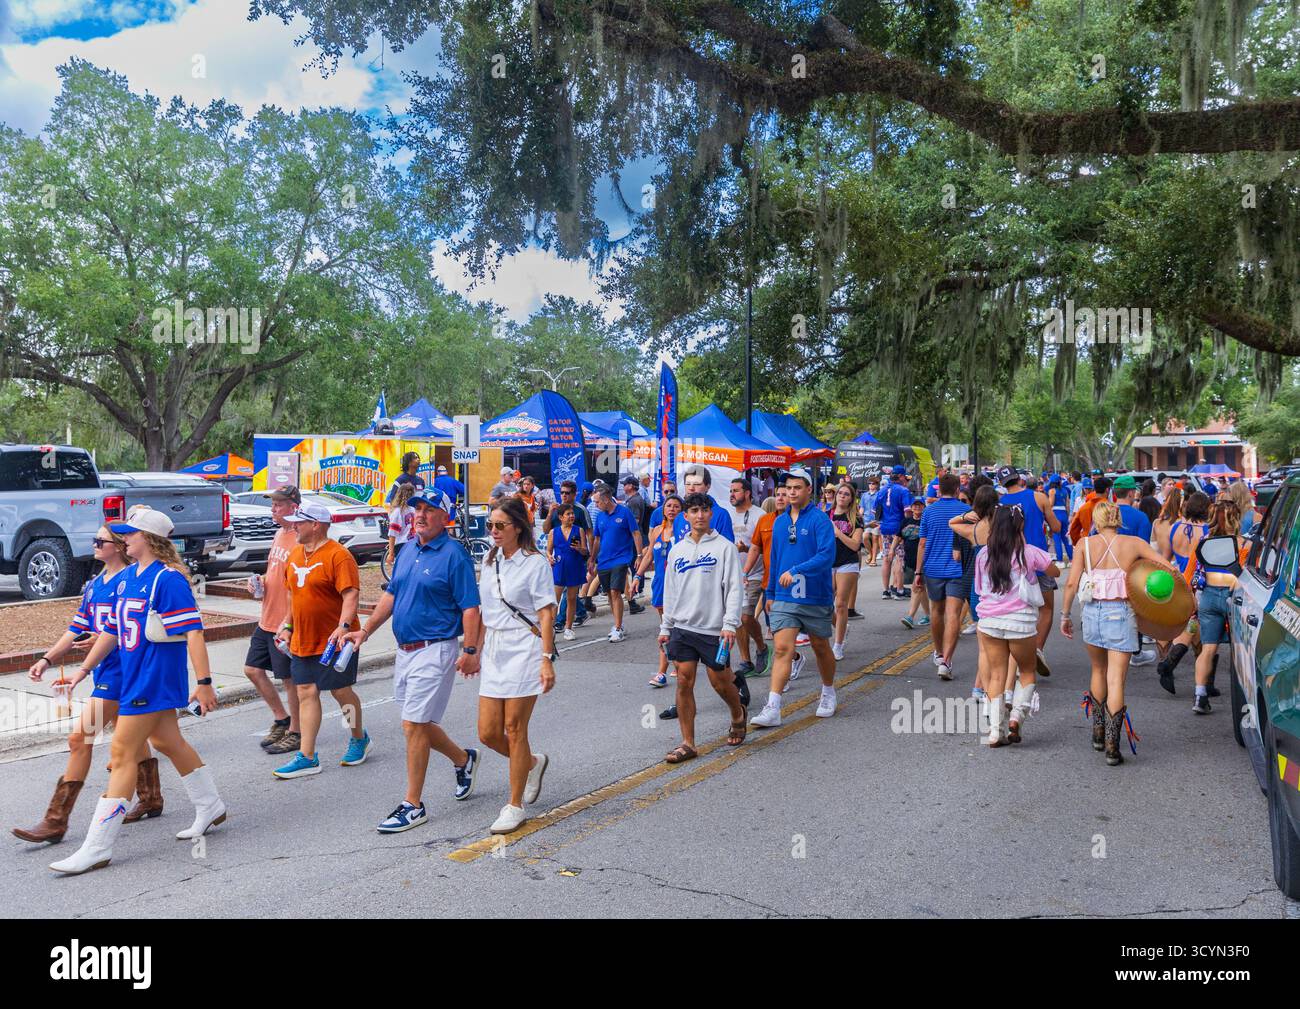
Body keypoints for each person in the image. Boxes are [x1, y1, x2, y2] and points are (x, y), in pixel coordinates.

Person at [49, 507, 223, 874]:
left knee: (122, 751)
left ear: (151, 539)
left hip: (154, 677)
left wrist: (204, 683)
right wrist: (83, 670)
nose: (124, 538)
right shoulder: (128, 577)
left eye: (131, 533)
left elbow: (193, 631)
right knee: (166, 742)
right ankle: (211, 806)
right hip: (134, 674)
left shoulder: (168, 579)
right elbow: (111, 632)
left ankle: (97, 847)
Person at [344, 491, 483, 833]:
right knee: (417, 723)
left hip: (435, 649)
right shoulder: (408, 549)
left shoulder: (455, 556)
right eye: (417, 508)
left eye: (429, 510)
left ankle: (413, 804)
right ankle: (464, 760)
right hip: (404, 651)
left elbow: (470, 607)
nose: (420, 514)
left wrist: (469, 651)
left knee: (412, 726)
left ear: (445, 518)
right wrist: (365, 632)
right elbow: (391, 595)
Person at [15, 526, 164, 844]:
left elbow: (138, 629)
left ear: (119, 547)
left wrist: (102, 644)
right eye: (94, 541)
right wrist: (47, 659)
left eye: (101, 541)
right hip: (104, 671)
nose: (94, 545)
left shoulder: (131, 581)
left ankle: (56, 820)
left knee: (80, 738)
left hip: (124, 672)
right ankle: (151, 797)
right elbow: (76, 627)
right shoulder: (95, 585)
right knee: (135, 740)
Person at [463, 496, 557, 833]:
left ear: (518, 526)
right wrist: (473, 649)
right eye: (490, 525)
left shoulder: (535, 563)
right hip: (495, 650)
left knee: (515, 729)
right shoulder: (490, 562)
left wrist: (546, 659)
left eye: (500, 525)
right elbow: (486, 612)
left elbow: (546, 613)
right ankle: (531, 763)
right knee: (488, 732)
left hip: (525, 647)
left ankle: (514, 804)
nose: (493, 531)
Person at [1060, 501, 1176, 765]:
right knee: (1116, 679)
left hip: (1091, 613)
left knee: (1097, 671)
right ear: (1118, 519)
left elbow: (1070, 583)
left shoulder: (1084, 545)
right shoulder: (1134, 543)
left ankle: (1098, 733)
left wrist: (1065, 616)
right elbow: (1166, 566)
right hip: (1121, 613)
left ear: (1097, 521)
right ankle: (1113, 745)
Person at [271, 501, 369, 779]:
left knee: (340, 692)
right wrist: (288, 624)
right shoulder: (295, 554)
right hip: (303, 637)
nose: (293, 526)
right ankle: (307, 756)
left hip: (335, 639)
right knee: (306, 692)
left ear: (315, 525)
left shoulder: (339, 556)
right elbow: (292, 593)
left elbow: (350, 594)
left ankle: (358, 737)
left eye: (299, 522)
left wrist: (343, 626)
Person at [659, 493, 748, 763]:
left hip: (714, 629)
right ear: (685, 516)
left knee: (720, 683)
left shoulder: (724, 547)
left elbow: (734, 588)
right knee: (684, 681)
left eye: (704, 510)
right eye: (694, 510)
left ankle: (737, 713)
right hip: (682, 628)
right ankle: (688, 743)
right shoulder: (677, 550)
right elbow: (670, 591)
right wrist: (666, 626)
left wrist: (730, 624)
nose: (699, 515)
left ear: (711, 514)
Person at [752, 467, 838, 727]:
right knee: (781, 648)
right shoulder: (779, 521)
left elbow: (826, 556)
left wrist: (797, 570)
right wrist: (770, 592)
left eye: (797, 487)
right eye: (788, 488)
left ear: (809, 490)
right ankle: (773, 707)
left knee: (821, 646)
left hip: (815, 596)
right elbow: (774, 559)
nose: (791, 492)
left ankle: (828, 692)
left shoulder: (820, 520)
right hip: (785, 597)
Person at [973, 505, 1059, 748]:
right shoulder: (1028, 553)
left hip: (990, 622)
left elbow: (980, 589)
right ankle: (1016, 718)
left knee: (996, 674)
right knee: (1027, 670)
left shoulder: (983, 555)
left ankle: (994, 731)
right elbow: (1054, 571)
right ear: (1019, 527)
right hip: (1020, 622)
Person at [245, 485, 302, 756]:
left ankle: (297, 732)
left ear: (293, 506)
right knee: (252, 670)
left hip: (285, 622)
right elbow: (274, 573)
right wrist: (260, 583)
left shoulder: (300, 538)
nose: (273, 509)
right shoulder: (279, 534)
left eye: (278, 504)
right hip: (267, 617)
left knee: (289, 679)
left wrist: (289, 623)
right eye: (273, 504)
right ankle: (282, 718)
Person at [999, 465, 1061, 677]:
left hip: (1010, 563)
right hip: (1038, 562)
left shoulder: (999, 503)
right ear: (1021, 479)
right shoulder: (1039, 497)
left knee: (1014, 610)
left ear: (1001, 483)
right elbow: (1056, 527)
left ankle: (1014, 658)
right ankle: (1036, 649)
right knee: (1046, 610)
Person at [1156, 491, 1212, 694]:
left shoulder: (1175, 528)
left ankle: (1206, 683)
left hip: (1179, 580)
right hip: (1199, 584)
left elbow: (1166, 558)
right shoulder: (1207, 531)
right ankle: (1169, 666)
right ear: (1206, 508)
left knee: (1196, 632)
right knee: (1197, 628)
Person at [915, 472, 969, 679]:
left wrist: (918, 571)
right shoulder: (966, 510)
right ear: (957, 490)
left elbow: (922, 543)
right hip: (957, 569)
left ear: (939, 490)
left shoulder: (929, 511)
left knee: (936, 611)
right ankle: (946, 661)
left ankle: (938, 653)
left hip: (933, 568)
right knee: (953, 614)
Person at [1191, 499, 1243, 714]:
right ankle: (1243, 698)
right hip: (1234, 596)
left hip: (1210, 595)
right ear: (1234, 518)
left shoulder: (1205, 541)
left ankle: (1200, 695)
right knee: (1239, 650)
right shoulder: (1241, 542)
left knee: (1208, 649)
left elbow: (1198, 569)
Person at [950, 484, 999, 702]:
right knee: (999, 644)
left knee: (984, 646)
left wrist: (968, 513)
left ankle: (980, 688)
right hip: (1001, 586)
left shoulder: (974, 530)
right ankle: (987, 689)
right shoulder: (1003, 526)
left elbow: (952, 522)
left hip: (980, 589)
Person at [637, 494, 684, 688]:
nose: (672, 509)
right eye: (669, 506)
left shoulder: (684, 532)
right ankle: (676, 662)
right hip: (659, 584)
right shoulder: (657, 530)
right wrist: (638, 576)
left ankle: (663, 671)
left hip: (679, 586)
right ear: (663, 509)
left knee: (671, 628)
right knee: (666, 627)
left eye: (676, 506)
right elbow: (649, 556)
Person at [590, 484, 644, 642]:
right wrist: (592, 559)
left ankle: (619, 627)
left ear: (606, 500)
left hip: (621, 558)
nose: (596, 505)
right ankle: (617, 623)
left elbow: (636, 533)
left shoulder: (624, 512)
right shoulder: (600, 516)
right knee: (609, 594)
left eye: (597, 502)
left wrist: (639, 555)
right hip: (604, 560)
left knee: (615, 591)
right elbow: (597, 539)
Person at [729, 477, 767, 675]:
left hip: (754, 574)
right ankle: (746, 660)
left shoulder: (759, 515)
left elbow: (766, 546)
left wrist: (748, 549)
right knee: (737, 618)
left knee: (745, 616)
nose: (732, 494)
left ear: (747, 492)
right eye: (731, 491)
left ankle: (761, 647)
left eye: (736, 490)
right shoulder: (727, 515)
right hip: (733, 574)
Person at [544, 480, 593, 628]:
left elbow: (589, 533)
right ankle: (579, 613)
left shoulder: (580, 510)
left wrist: (589, 556)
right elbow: (547, 530)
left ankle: (563, 623)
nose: (564, 495)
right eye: (562, 492)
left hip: (576, 557)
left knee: (570, 593)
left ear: (574, 493)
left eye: (567, 493)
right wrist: (549, 513)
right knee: (562, 592)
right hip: (560, 558)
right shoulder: (556, 510)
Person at [829, 483, 864, 661]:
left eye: (846, 494)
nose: (842, 496)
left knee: (841, 604)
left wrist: (838, 533)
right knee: (825, 605)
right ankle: (843, 627)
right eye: (840, 493)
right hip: (828, 562)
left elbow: (855, 545)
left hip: (847, 563)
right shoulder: (825, 515)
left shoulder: (855, 518)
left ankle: (838, 645)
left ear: (851, 499)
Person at [548, 502, 588, 643]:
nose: (571, 516)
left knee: (571, 598)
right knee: (555, 600)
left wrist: (579, 549)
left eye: (572, 514)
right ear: (561, 517)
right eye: (568, 514)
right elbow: (548, 550)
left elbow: (585, 551)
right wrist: (549, 557)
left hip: (575, 566)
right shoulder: (554, 532)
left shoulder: (579, 530)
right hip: (559, 566)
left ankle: (569, 628)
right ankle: (550, 629)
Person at [874, 465, 913, 599]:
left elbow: (875, 511)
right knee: (899, 558)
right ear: (901, 476)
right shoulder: (903, 491)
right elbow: (907, 511)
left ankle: (886, 591)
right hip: (899, 528)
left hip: (885, 527)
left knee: (886, 557)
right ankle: (899, 590)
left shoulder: (882, 490)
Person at [672, 466, 735, 543]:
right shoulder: (679, 517)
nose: (691, 488)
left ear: (708, 486)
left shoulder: (721, 515)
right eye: (688, 484)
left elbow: (727, 549)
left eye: (697, 484)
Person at [898, 498, 930, 630]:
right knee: (921, 588)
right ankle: (928, 615)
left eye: (920, 505)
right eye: (915, 506)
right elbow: (898, 537)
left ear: (924, 507)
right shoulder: (906, 521)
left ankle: (910, 616)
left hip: (923, 559)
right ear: (911, 507)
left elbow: (924, 542)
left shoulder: (926, 520)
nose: (917, 508)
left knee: (916, 586)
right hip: (910, 558)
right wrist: (892, 552)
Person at [1069, 475, 1110, 545]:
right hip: (1106, 544)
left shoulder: (1084, 508)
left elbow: (1073, 529)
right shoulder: (1111, 508)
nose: (1087, 490)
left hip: (1087, 544)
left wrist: (1078, 543)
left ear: (1094, 489)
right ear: (1107, 490)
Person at [386, 482, 416, 570]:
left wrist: (391, 553)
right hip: (413, 542)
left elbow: (392, 533)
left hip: (401, 544)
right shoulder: (414, 510)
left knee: (402, 569)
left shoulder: (397, 512)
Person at [1047, 475, 1073, 563]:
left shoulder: (1052, 491)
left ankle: (1060, 561)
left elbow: (1051, 504)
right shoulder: (1065, 491)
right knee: (1065, 538)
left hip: (1056, 514)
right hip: (1064, 514)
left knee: (1057, 538)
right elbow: (1068, 505)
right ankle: (1071, 559)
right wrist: (1068, 516)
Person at [861, 476, 881, 566]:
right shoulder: (864, 495)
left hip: (876, 520)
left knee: (875, 539)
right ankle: (870, 553)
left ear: (877, 485)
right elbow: (862, 507)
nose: (871, 485)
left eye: (873, 483)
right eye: (869, 483)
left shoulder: (879, 495)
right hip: (866, 520)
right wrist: (859, 516)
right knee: (865, 537)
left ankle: (873, 559)